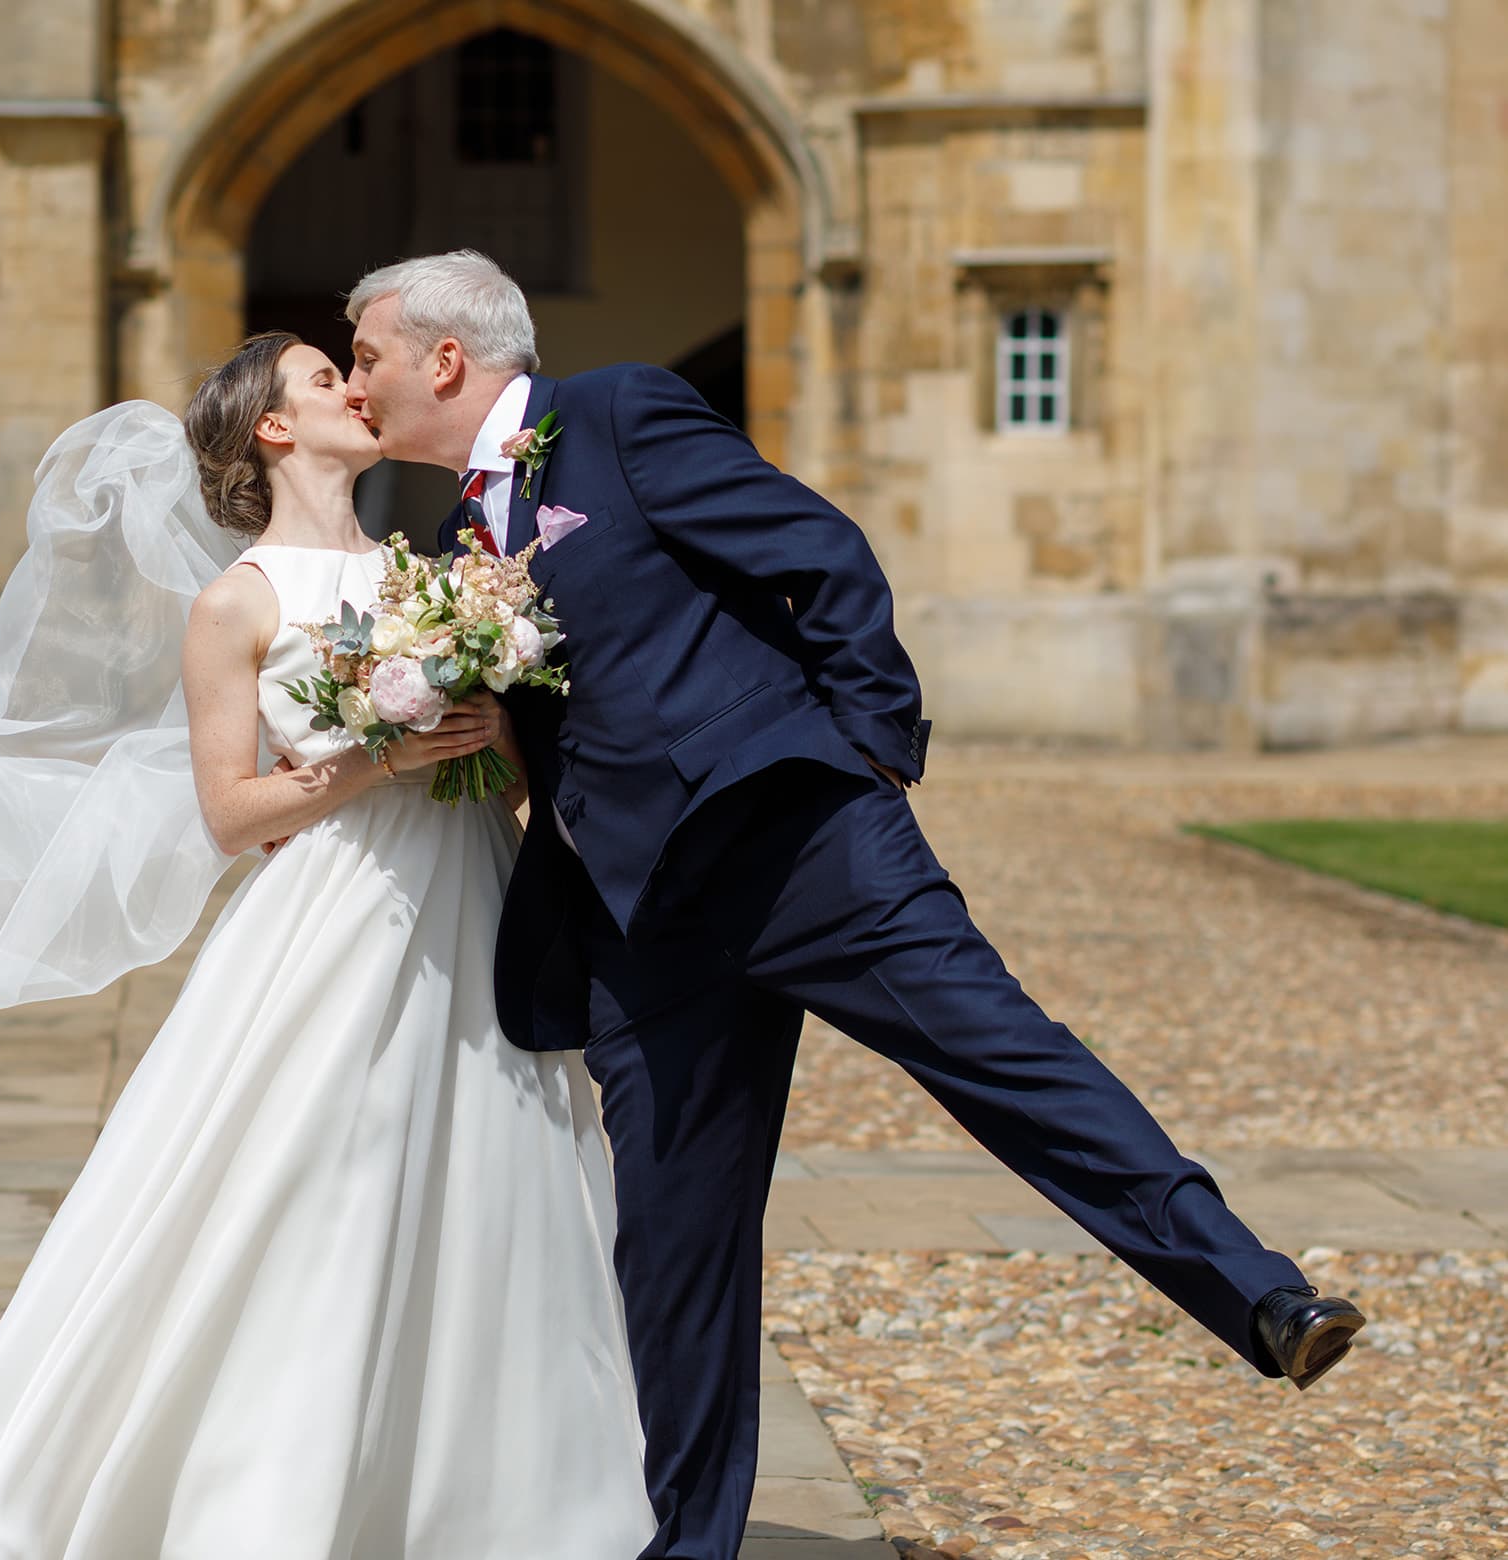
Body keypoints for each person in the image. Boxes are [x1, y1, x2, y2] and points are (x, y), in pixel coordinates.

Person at [340, 250, 1368, 1560]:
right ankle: (685, 1543)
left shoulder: (617, 414)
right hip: (642, 924)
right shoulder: (451, 545)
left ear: (443, 359)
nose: (357, 381)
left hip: (800, 845)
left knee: (1010, 1063)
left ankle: (1264, 1299)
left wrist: (875, 745)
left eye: (365, 354)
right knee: (673, 1246)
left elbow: (819, 552)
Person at [0, 337, 654, 1559]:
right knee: (313, 1184)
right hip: (339, 919)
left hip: (471, 891)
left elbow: (516, 768)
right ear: (271, 429)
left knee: (498, 1163)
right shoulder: (239, 603)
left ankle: (490, 1498)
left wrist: (486, 724)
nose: (354, 390)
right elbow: (229, 813)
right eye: (326, 379)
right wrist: (378, 755)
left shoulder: (441, 576)